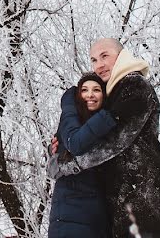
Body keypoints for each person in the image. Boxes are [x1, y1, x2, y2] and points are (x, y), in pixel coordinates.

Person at [49, 38, 160, 238]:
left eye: (104, 56)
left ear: (121, 56)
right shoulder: (113, 93)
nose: (99, 65)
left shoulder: (135, 85)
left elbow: (114, 141)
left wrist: (68, 164)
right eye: (94, 60)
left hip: (141, 203)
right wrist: (58, 147)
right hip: (119, 210)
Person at [47, 72, 117, 238]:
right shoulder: (70, 124)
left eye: (96, 90)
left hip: (100, 215)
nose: (90, 95)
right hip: (69, 211)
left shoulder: (111, 126)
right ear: (78, 95)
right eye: (84, 90)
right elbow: (53, 169)